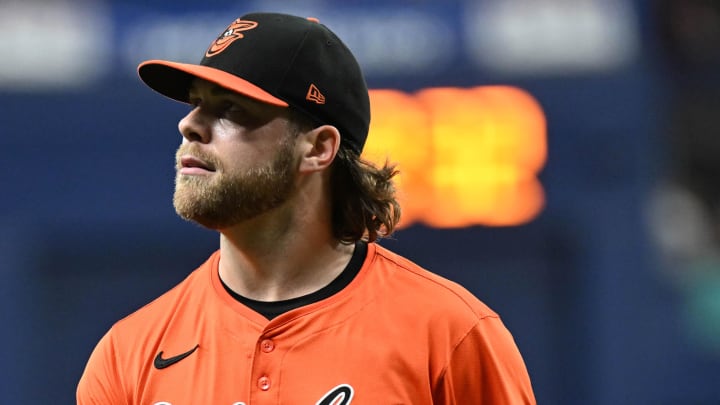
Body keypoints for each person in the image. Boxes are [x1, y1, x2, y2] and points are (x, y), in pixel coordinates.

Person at [76, 12, 535, 404]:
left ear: (318, 148)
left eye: (231, 109)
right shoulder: (128, 353)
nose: (189, 124)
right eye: (197, 104)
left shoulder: (450, 334)